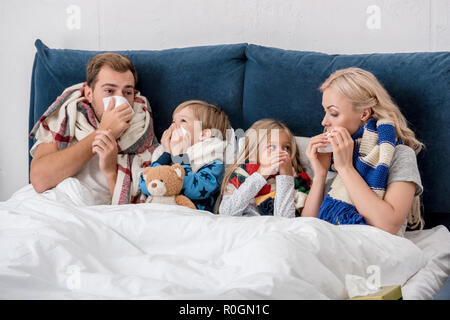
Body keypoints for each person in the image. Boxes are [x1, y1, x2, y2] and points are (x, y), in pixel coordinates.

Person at [302, 67, 424, 236]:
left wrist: (345, 168)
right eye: (325, 112)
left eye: (333, 113)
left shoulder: (400, 154)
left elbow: (388, 226)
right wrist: (320, 175)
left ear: (364, 113)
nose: (324, 122)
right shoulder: (331, 156)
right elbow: (306, 228)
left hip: (376, 248)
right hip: (328, 242)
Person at [29, 53, 158, 205]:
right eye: (109, 91)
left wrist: (111, 171)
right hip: (59, 203)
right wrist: (103, 131)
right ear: (89, 94)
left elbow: (141, 200)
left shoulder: (142, 125)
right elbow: (39, 180)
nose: (120, 99)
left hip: (105, 210)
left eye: (127, 92)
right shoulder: (67, 116)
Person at [140, 100, 231, 212]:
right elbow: (145, 185)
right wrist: (167, 153)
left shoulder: (213, 162)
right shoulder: (165, 156)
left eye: (183, 121)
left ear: (203, 134)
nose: (173, 126)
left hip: (189, 217)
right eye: (173, 121)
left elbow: (195, 189)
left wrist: (180, 157)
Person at [218, 119, 311, 217]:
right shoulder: (240, 174)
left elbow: (285, 220)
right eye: (271, 147)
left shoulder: (294, 178)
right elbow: (227, 213)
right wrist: (261, 174)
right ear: (254, 151)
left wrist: (286, 177)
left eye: (286, 148)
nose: (281, 152)